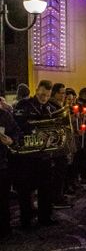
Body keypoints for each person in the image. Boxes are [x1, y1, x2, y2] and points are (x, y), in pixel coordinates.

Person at [13, 80, 61, 227]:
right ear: (37, 90)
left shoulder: (51, 108)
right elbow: (17, 126)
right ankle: (26, 219)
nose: (44, 98)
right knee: (25, 189)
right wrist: (34, 130)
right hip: (27, 155)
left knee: (46, 187)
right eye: (42, 94)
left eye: (47, 96)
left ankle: (44, 217)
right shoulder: (24, 105)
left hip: (44, 155)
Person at [0, 104, 22, 237]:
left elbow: (16, 131)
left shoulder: (4, 115)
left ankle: (4, 229)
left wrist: (11, 140)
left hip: (1, 163)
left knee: (2, 199)